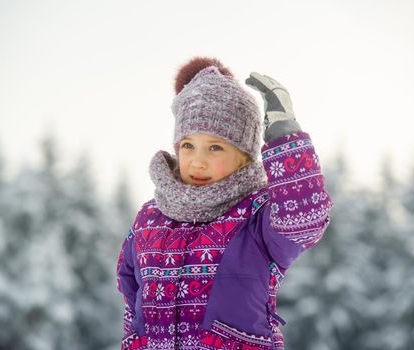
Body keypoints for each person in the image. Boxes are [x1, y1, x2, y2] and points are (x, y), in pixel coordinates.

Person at [116, 56, 333, 350]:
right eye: (188, 145)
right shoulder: (150, 219)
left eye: (215, 147)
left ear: (244, 156)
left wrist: (285, 136)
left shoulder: (256, 218)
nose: (198, 160)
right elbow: (131, 295)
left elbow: (305, 218)